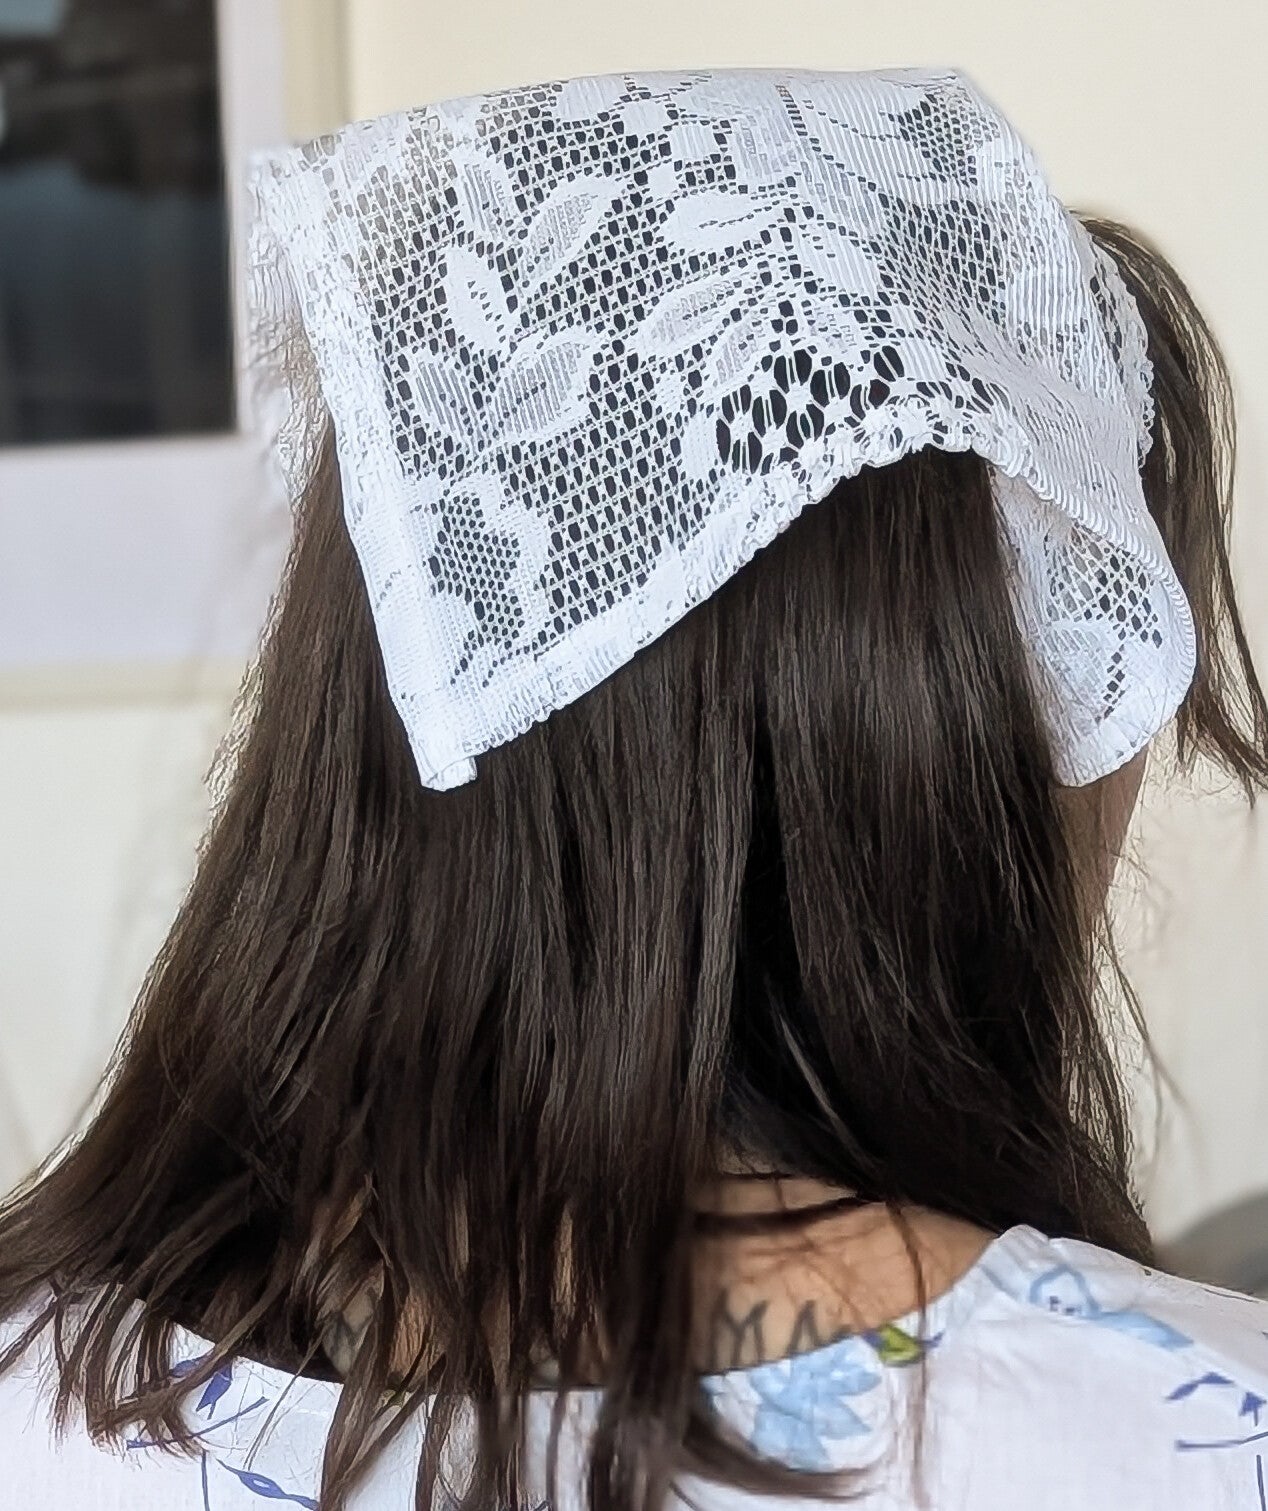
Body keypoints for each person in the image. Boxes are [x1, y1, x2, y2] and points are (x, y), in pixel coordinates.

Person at [1, 65, 1266, 1511]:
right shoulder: (1198, 1436)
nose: (1132, 763)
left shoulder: (39, 1394)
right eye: (1120, 645)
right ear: (941, 719)